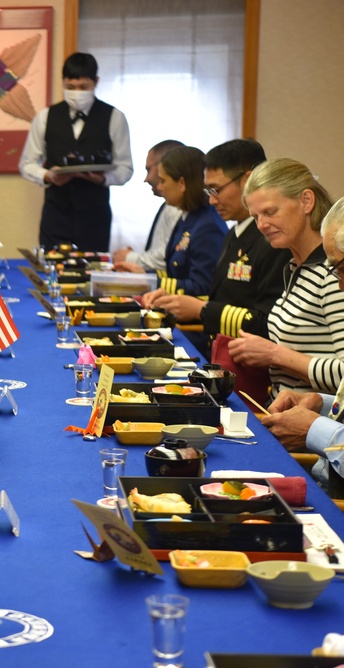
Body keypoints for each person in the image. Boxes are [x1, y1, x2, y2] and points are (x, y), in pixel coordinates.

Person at [141, 140, 291, 356]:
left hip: (250, 363)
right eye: (208, 190)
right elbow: (221, 298)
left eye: (217, 189)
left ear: (248, 180)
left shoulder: (272, 240)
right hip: (223, 353)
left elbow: (266, 323)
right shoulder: (234, 233)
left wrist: (200, 309)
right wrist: (179, 302)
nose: (211, 200)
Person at [250, 197, 344, 493]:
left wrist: (315, 430)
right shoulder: (292, 269)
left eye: (341, 267)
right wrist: (321, 403)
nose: (340, 284)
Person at [228, 158, 342, 396]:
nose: (261, 225)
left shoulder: (332, 274)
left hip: (316, 424)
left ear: (306, 201)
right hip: (283, 411)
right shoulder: (294, 267)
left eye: (270, 212)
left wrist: (274, 354)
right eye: (256, 216)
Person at [19, 52, 133, 252]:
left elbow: (125, 168)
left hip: (95, 217)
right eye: (70, 87)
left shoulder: (115, 118)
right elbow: (27, 163)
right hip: (55, 215)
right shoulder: (44, 117)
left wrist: (103, 179)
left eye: (83, 87)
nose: (76, 93)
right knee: (53, 272)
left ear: (96, 82)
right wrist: (48, 176)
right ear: (63, 82)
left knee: (91, 275)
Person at [127, 146, 227, 300]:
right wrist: (143, 275)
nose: (159, 187)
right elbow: (174, 273)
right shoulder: (187, 218)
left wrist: (151, 282)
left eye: (163, 181)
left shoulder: (207, 226)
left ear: (181, 183)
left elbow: (201, 287)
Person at [111, 139, 184, 272]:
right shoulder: (170, 205)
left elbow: (163, 260)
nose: (147, 179)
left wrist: (129, 258)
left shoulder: (177, 208)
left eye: (148, 169)